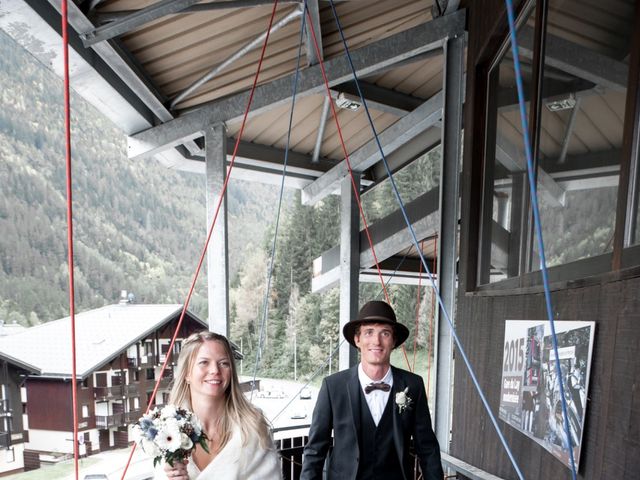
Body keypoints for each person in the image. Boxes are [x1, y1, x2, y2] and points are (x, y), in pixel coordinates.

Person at [300, 300, 443, 480]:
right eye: (369, 332)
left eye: (385, 333)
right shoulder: (333, 386)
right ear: (357, 339)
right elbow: (315, 450)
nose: (376, 341)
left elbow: (427, 448)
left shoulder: (413, 385)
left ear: (394, 340)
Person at [159, 331, 281, 479]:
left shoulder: (253, 427)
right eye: (204, 362)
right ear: (187, 373)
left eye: (223, 363)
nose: (215, 371)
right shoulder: (167, 429)